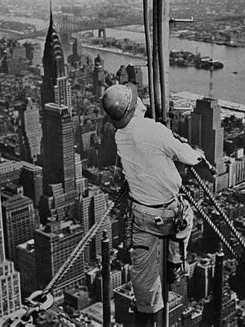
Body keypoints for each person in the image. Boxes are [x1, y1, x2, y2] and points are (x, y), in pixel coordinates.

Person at [102, 83, 203, 325]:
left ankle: (146, 314)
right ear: (134, 106)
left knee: (144, 275)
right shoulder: (154, 130)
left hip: (140, 215)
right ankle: (175, 263)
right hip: (168, 213)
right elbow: (188, 157)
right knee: (186, 215)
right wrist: (195, 152)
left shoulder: (120, 136)